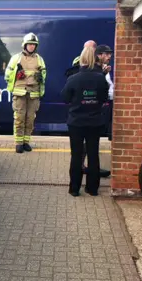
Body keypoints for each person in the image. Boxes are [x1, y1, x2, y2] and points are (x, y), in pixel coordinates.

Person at [61, 46, 109, 197]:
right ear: (95, 59)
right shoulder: (101, 78)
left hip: (76, 122)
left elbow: (65, 98)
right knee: (93, 154)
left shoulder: (73, 78)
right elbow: (103, 98)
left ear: (81, 59)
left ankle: (74, 188)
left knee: (76, 155)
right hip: (95, 121)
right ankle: (92, 188)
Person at [4, 32, 47, 154]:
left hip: (34, 93)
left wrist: (41, 77)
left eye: (34, 45)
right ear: (25, 45)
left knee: (30, 119)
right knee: (19, 118)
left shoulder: (40, 59)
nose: (32, 47)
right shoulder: (16, 58)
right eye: (30, 44)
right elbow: (7, 75)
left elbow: (44, 74)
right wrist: (16, 74)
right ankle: (18, 143)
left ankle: (26, 142)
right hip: (20, 93)